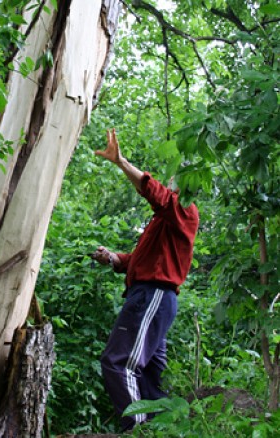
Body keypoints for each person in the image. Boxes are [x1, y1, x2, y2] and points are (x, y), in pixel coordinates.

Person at [92, 128, 199, 432]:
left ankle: (138, 431)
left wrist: (121, 161)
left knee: (118, 363)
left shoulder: (184, 211)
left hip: (153, 297)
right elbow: (142, 261)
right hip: (151, 296)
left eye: (180, 178)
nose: (173, 180)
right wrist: (114, 258)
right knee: (151, 376)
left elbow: (157, 194)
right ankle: (160, 428)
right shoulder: (165, 221)